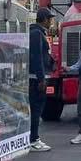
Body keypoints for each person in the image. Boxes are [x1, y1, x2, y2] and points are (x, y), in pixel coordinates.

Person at [27, 9, 55, 152]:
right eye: (50, 19)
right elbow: (36, 56)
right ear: (44, 19)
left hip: (38, 76)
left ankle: (33, 137)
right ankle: (33, 139)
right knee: (36, 109)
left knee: (37, 109)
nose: (51, 22)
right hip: (36, 78)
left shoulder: (39, 33)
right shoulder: (37, 34)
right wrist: (41, 78)